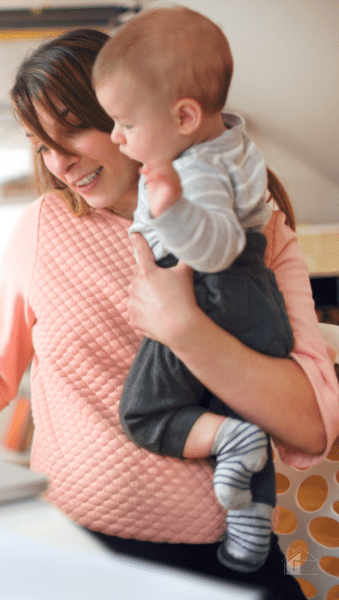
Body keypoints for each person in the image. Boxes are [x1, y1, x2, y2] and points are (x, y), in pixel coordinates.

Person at [0, 28, 339, 599]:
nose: (61, 163)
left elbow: (310, 423)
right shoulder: (43, 227)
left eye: (72, 129)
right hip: (78, 552)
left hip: (226, 560)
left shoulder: (257, 232)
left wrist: (185, 332)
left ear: (132, 115)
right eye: (42, 144)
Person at [92, 6, 291, 573]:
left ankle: (231, 442)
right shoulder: (230, 144)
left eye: (125, 124)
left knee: (144, 411)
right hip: (253, 304)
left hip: (208, 294)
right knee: (238, 407)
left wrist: (171, 210)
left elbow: (217, 246)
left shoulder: (193, 171)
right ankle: (249, 529)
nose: (115, 136)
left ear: (183, 116)